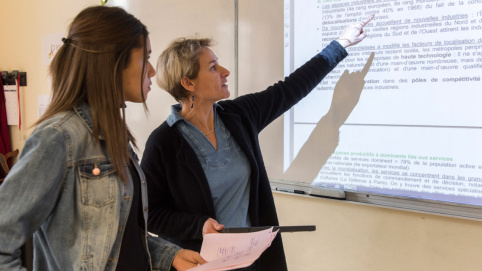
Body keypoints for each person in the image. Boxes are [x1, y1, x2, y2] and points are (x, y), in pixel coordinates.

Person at [141, 15, 375, 270]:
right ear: (188, 83)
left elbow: (289, 90)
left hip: (252, 262)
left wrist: (339, 45)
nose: (225, 72)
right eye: (213, 68)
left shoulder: (239, 116)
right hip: (201, 265)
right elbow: (149, 214)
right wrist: (198, 225)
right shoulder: (163, 142)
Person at [0, 6, 206, 271]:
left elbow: (118, 236)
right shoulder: (58, 137)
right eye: (146, 58)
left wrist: (169, 255)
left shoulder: (113, 134)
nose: (152, 71)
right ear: (114, 62)